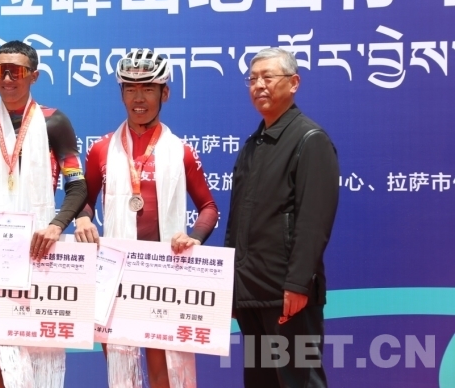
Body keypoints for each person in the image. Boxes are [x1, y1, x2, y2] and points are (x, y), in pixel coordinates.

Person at [74, 48, 219, 388]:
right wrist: (82, 219)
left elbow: (209, 208)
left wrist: (194, 237)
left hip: (164, 274)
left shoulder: (181, 150)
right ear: (121, 93)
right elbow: (85, 202)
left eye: (148, 88)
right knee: (121, 375)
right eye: (130, 88)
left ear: (164, 93)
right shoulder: (101, 149)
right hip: (115, 275)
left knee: (163, 374)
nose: (139, 98)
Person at [0, 40, 88, 388]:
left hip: (42, 250)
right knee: (2, 365)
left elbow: (77, 185)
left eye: (16, 71)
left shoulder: (54, 121)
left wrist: (57, 225)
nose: (7, 79)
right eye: (0, 71)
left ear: (33, 75)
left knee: (40, 357)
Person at [224, 47, 339, 388]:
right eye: (252, 79)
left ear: (294, 83)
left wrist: (298, 283)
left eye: (268, 77)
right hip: (251, 291)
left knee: (300, 381)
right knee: (261, 382)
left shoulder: (310, 139)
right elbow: (237, 221)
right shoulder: (253, 144)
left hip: (286, 293)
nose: (259, 85)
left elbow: (314, 221)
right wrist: (231, 284)